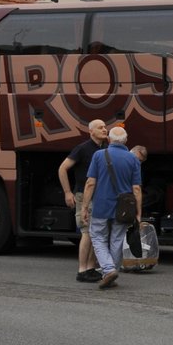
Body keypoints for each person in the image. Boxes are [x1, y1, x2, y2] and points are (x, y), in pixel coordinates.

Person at [81, 126, 142, 291]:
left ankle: (108, 270)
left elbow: (90, 183)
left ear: (109, 139)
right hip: (123, 208)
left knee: (98, 237)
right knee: (117, 240)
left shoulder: (99, 155)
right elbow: (136, 188)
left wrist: (85, 207)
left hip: (102, 205)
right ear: (126, 141)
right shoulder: (133, 159)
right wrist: (138, 212)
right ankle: (111, 272)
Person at [59, 119, 109, 282]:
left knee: (98, 233)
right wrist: (68, 192)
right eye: (100, 127)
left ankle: (91, 267)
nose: (104, 129)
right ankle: (82, 270)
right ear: (91, 131)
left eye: (105, 127)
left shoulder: (105, 148)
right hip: (83, 195)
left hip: (100, 196)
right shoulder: (82, 148)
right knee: (87, 232)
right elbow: (62, 168)